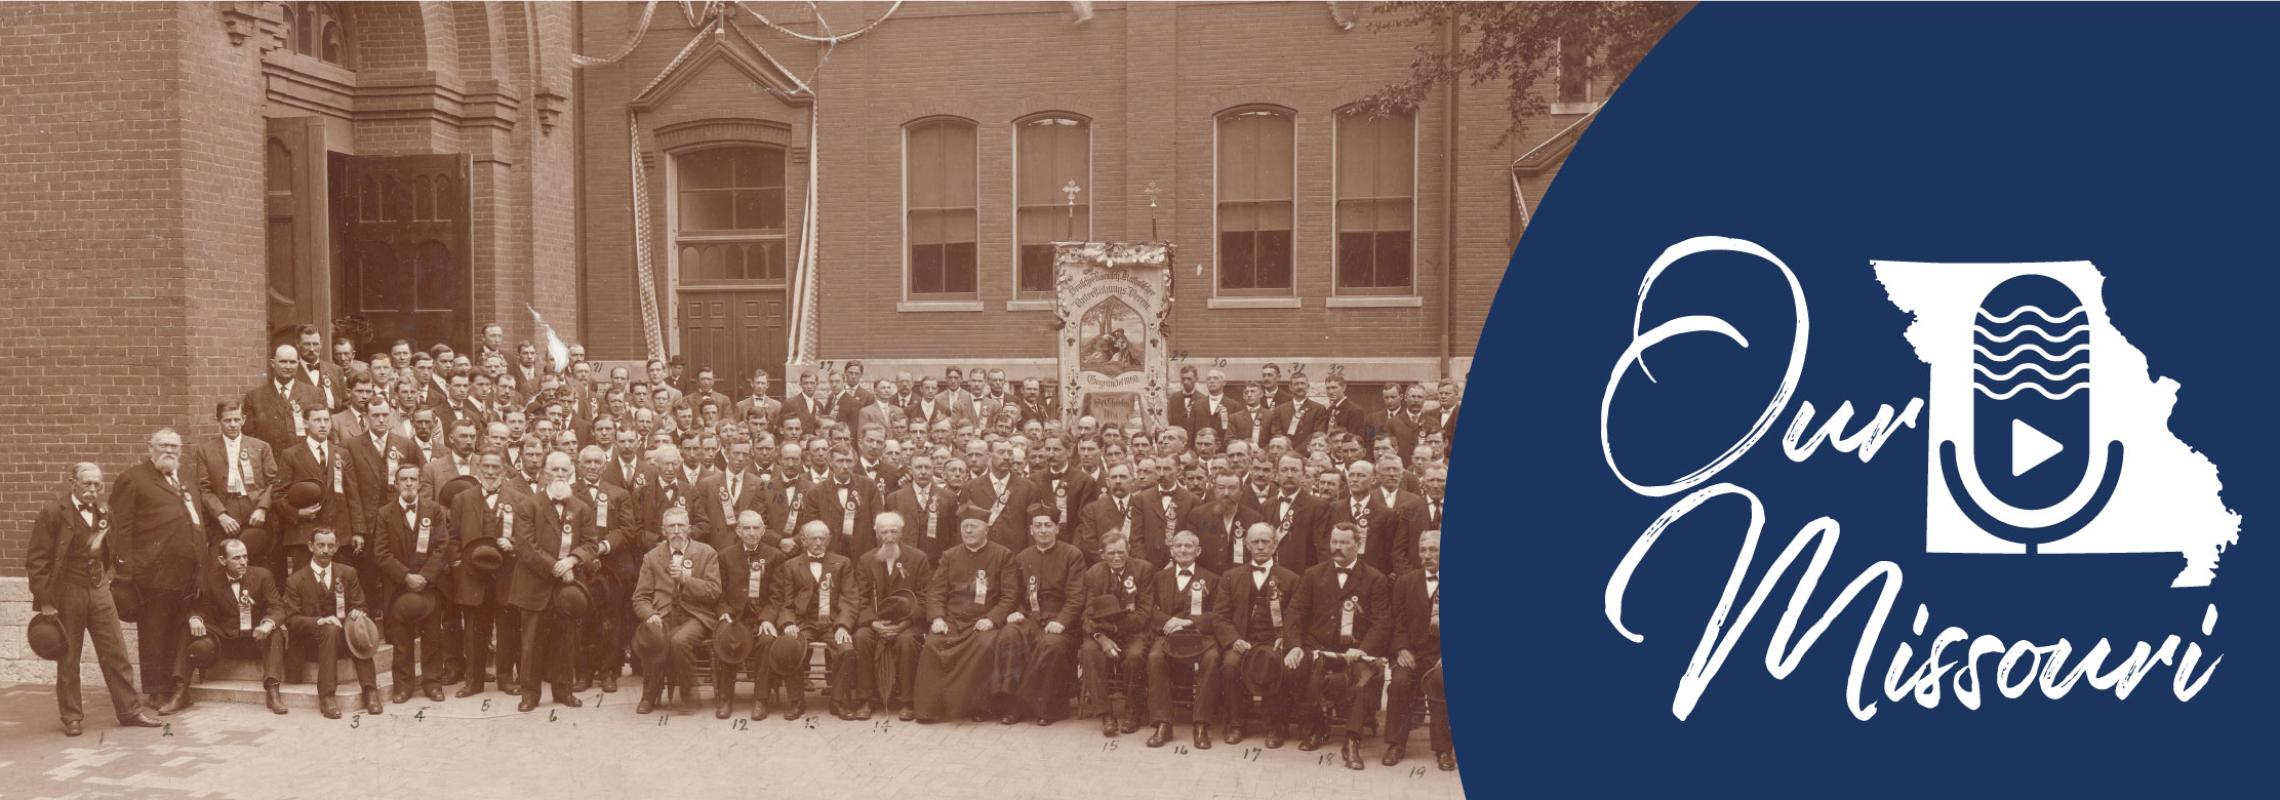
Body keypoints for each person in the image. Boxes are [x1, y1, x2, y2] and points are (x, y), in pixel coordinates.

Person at [28, 463, 163, 736]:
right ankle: (72, 716)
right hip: (68, 592)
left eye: (97, 485)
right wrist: (45, 600)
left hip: (99, 589)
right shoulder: (54, 511)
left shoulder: (104, 511)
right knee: (69, 657)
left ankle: (130, 710)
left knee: (116, 652)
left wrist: (109, 575)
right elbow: (37, 560)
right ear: (72, 482)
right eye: (87, 484)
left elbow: (110, 547)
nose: (92, 490)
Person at [110, 428, 208, 714]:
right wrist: (125, 574)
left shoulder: (186, 480)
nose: (170, 451)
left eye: (175, 446)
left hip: (187, 573)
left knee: (178, 631)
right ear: (150, 447)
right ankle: (155, 691)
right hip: (152, 574)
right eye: (163, 445)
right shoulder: (133, 479)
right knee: (154, 632)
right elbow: (120, 529)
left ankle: (176, 687)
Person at [1284, 522, 1391, 770]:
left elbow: (1383, 621)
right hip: (1319, 646)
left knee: (1363, 680)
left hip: (1356, 651)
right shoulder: (1313, 574)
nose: (1338, 548)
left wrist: (1363, 648)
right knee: (1295, 666)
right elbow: (1295, 613)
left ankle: (1352, 740)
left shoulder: (1375, 578)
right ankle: (1317, 728)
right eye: (1334, 542)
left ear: (1358, 545)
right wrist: (1294, 645)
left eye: (1344, 543)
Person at [912, 507, 1016, 723]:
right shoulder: (950, 556)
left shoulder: (1003, 555)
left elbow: (1010, 595)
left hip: (983, 621)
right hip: (953, 619)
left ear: (986, 530)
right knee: (933, 644)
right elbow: (937, 591)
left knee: (984, 646)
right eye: (964, 526)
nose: (968, 530)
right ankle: (930, 709)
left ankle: (976, 706)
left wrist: (992, 619)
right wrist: (937, 618)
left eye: (974, 526)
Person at [511, 451, 594, 712]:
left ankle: (563, 691)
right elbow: (526, 547)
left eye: (564, 470)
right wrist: (555, 567)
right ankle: (530, 694)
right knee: (532, 643)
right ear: (545, 473)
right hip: (535, 584)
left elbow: (591, 543)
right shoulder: (528, 505)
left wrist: (572, 561)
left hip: (568, 586)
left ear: (572, 473)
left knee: (565, 641)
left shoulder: (581, 508)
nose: (560, 475)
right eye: (555, 470)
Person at [449, 446, 528, 698]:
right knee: (474, 629)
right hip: (473, 577)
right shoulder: (462, 499)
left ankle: (505, 678)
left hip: (506, 574)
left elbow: (527, 537)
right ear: (478, 469)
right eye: (486, 467)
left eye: (496, 467)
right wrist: (459, 563)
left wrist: (513, 543)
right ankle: (474, 681)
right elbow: (452, 538)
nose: (491, 472)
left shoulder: (518, 500)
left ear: (504, 470)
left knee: (508, 628)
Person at [1213, 521, 1300, 748]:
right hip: (1242, 640)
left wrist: (1286, 637)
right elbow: (1220, 616)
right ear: (1247, 545)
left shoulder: (1290, 578)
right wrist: (1234, 640)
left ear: (1274, 545)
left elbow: (1296, 616)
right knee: (1230, 665)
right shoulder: (1231, 576)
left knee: (1273, 663)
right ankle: (1236, 723)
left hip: (1274, 641)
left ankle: (1274, 726)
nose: (1260, 546)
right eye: (1255, 542)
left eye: (1265, 541)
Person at [371, 463, 450, 704]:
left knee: (433, 638)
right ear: (396, 484)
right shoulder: (385, 513)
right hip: (399, 587)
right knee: (402, 641)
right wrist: (406, 576)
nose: (408, 483)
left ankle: (432, 683)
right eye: (403, 479)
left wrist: (425, 577)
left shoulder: (434, 511)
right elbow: (381, 552)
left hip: (429, 585)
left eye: (413, 479)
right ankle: (403, 686)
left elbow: (442, 546)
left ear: (419, 483)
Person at [182, 537, 290, 714]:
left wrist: (267, 624)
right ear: (222, 560)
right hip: (226, 640)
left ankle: (273, 691)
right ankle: (180, 690)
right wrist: (195, 618)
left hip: (257, 639)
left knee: (276, 631)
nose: (243, 562)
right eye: (236, 558)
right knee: (187, 628)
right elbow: (199, 608)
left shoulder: (262, 575)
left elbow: (278, 608)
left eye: (245, 557)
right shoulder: (211, 580)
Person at [631, 507, 722, 715]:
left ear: (689, 529)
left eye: (681, 525)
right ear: (663, 531)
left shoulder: (707, 553)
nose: (677, 531)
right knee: (654, 637)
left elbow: (714, 591)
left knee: (679, 641)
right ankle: (650, 694)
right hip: (663, 614)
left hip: (696, 615)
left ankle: (688, 695)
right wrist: (650, 614)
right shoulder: (652, 557)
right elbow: (640, 597)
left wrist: (685, 579)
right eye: (671, 526)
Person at [283, 528, 381, 719]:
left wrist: (358, 611)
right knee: (328, 629)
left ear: (336, 547)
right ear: (311, 546)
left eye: (330, 545)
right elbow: (291, 620)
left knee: (359, 626)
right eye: (320, 545)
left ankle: (370, 691)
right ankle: (327, 696)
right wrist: (319, 621)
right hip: (312, 642)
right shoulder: (295, 580)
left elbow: (361, 604)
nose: (325, 550)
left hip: (344, 639)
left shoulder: (348, 573)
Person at [763, 521, 857, 719]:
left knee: (847, 650)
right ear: (804, 541)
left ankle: (837, 700)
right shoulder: (791, 565)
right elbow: (785, 602)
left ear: (829, 540)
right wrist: (788, 623)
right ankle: (796, 702)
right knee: (790, 647)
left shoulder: (843, 563)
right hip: (803, 620)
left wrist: (843, 626)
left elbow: (849, 599)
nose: (818, 542)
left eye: (823, 538)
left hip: (832, 621)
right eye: (813, 538)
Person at [1002, 505, 1086, 726]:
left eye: (1048, 526)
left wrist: (1061, 622)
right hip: (1031, 618)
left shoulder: (1072, 555)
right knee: (1009, 634)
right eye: (1038, 526)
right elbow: (1017, 595)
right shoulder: (1022, 557)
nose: (1043, 530)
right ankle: (1009, 701)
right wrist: (1018, 613)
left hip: (1062, 622)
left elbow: (1077, 598)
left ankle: (1043, 707)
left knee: (1051, 645)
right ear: (1031, 530)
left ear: (1057, 529)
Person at [846, 511, 931, 721]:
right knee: (862, 637)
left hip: (908, 623)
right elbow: (862, 598)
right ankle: (865, 699)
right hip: (876, 621)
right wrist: (873, 623)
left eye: (894, 531)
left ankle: (907, 701)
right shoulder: (866, 560)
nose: (889, 537)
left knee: (906, 641)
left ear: (901, 532)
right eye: (884, 532)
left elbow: (924, 597)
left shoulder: (918, 558)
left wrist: (904, 624)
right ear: (877, 533)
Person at [1145, 529, 1222, 748]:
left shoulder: (1212, 579)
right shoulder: (1159, 577)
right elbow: (1149, 607)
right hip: (1168, 633)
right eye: (1178, 545)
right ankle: (1163, 723)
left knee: (1213, 658)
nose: (1183, 550)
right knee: (1154, 657)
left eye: (1188, 546)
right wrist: (1168, 621)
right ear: (1171, 550)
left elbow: (1219, 613)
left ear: (1197, 551)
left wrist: (1190, 623)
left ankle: (1201, 724)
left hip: (1199, 635)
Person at [1383, 530, 1452, 770]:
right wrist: (1401, 649)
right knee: (1400, 682)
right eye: (1423, 550)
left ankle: (1444, 750)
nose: (1427, 555)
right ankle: (1396, 744)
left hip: (1441, 657)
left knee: (1442, 683)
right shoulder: (1406, 582)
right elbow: (1397, 622)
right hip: (1411, 653)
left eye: (1433, 550)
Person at [1077, 528, 1153, 737]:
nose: (1117, 557)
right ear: (1102, 554)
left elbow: (1144, 613)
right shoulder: (1093, 574)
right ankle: (1105, 714)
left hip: (1134, 632)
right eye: (1111, 553)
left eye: (1121, 552)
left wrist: (1114, 630)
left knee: (1135, 655)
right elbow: (1087, 613)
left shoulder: (1143, 570)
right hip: (1101, 634)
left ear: (1129, 550)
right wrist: (1101, 638)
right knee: (1089, 652)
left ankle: (1132, 711)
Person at [715, 510, 787, 719]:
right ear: (738, 531)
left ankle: (760, 699)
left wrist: (767, 619)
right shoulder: (725, 556)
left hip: (761, 617)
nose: (751, 532)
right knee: (728, 638)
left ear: (763, 531)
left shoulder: (775, 556)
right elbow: (719, 593)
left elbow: (777, 595)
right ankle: (726, 698)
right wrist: (725, 612)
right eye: (746, 528)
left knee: (766, 641)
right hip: (736, 617)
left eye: (756, 528)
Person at [194, 400, 279, 568]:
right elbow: (204, 488)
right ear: (218, 421)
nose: (233, 425)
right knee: (220, 566)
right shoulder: (206, 450)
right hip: (225, 514)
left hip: (255, 514)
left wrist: (263, 509)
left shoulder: (261, 447)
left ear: (243, 419)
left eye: (236, 419)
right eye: (227, 420)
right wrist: (221, 515)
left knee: (258, 566)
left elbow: (274, 482)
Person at [277, 406, 358, 577]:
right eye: (317, 420)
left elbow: (353, 495)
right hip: (305, 534)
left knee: (339, 584)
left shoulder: (342, 454)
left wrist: (358, 531)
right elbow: (278, 495)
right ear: (305, 423)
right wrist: (298, 513)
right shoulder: (290, 455)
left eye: (326, 420)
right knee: (306, 587)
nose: (323, 425)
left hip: (338, 534)